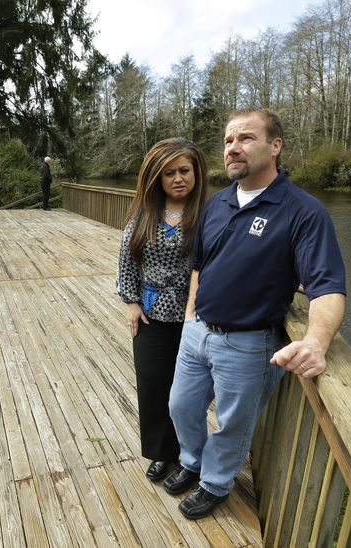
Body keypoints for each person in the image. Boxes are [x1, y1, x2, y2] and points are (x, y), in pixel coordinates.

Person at [165, 109, 347, 520]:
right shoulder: (218, 202)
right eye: (229, 140)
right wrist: (192, 315)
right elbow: (199, 264)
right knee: (181, 406)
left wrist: (317, 342)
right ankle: (191, 460)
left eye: (246, 138)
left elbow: (328, 287)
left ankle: (215, 482)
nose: (233, 148)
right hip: (198, 333)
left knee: (232, 424)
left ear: (275, 146)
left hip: (248, 344)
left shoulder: (303, 211)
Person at [117, 138, 208, 483]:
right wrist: (130, 301)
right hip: (151, 314)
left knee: (187, 392)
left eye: (185, 170)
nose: (178, 178)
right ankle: (161, 452)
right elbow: (127, 259)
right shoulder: (145, 213)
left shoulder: (209, 215)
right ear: (157, 177)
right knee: (154, 386)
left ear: (196, 172)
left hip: (193, 315)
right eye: (169, 173)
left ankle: (189, 455)